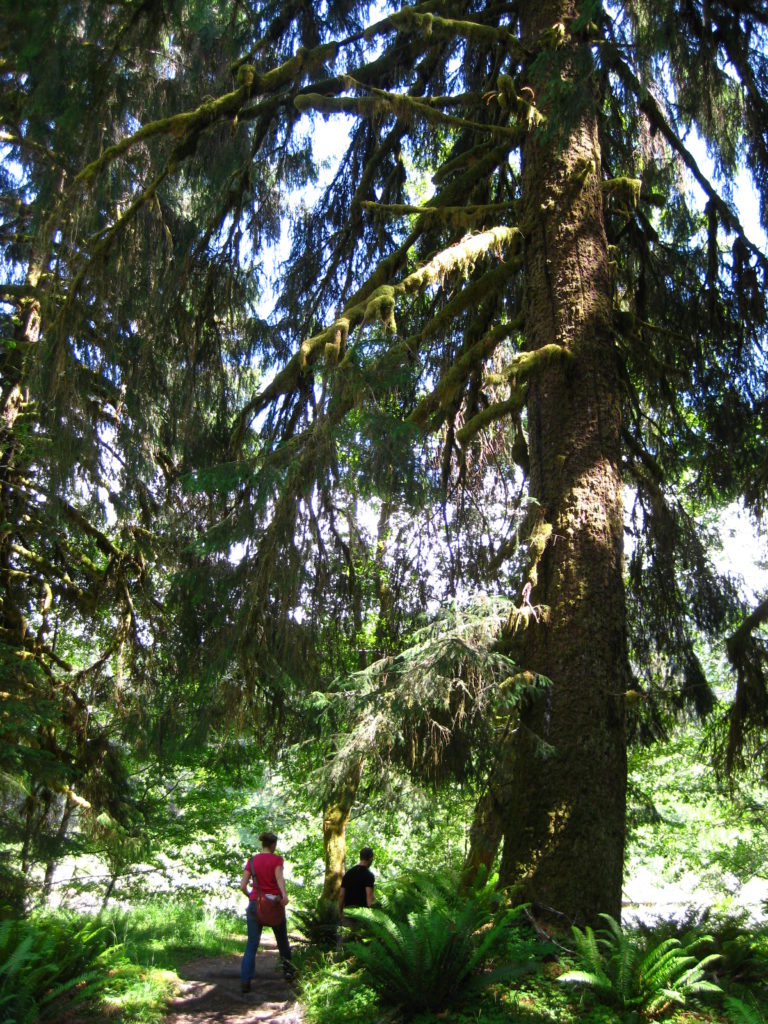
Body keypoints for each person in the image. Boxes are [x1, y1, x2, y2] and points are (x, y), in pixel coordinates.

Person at [240, 831, 293, 991]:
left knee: (252, 944)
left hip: (255, 905)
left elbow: (243, 886)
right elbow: (279, 879)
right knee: (282, 941)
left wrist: (252, 896)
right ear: (273, 845)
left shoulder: (252, 861)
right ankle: (289, 974)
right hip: (274, 906)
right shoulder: (276, 860)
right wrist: (284, 895)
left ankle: (245, 981)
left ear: (263, 844)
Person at [338, 846, 375, 920]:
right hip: (362, 915)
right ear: (371, 858)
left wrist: (340, 913)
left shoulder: (348, 873)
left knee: (348, 931)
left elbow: (341, 895)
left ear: (360, 857)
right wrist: (373, 917)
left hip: (348, 913)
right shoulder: (368, 875)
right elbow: (369, 897)